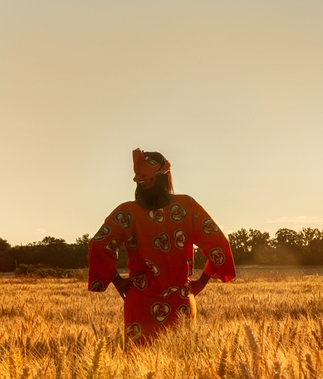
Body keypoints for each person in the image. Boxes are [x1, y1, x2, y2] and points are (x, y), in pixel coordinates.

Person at [88, 148, 236, 345]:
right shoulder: (186, 205)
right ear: (166, 176)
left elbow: (98, 245)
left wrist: (119, 282)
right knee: (180, 364)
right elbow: (219, 243)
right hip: (180, 299)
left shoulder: (126, 212)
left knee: (136, 367)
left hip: (139, 300)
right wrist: (201, 281)